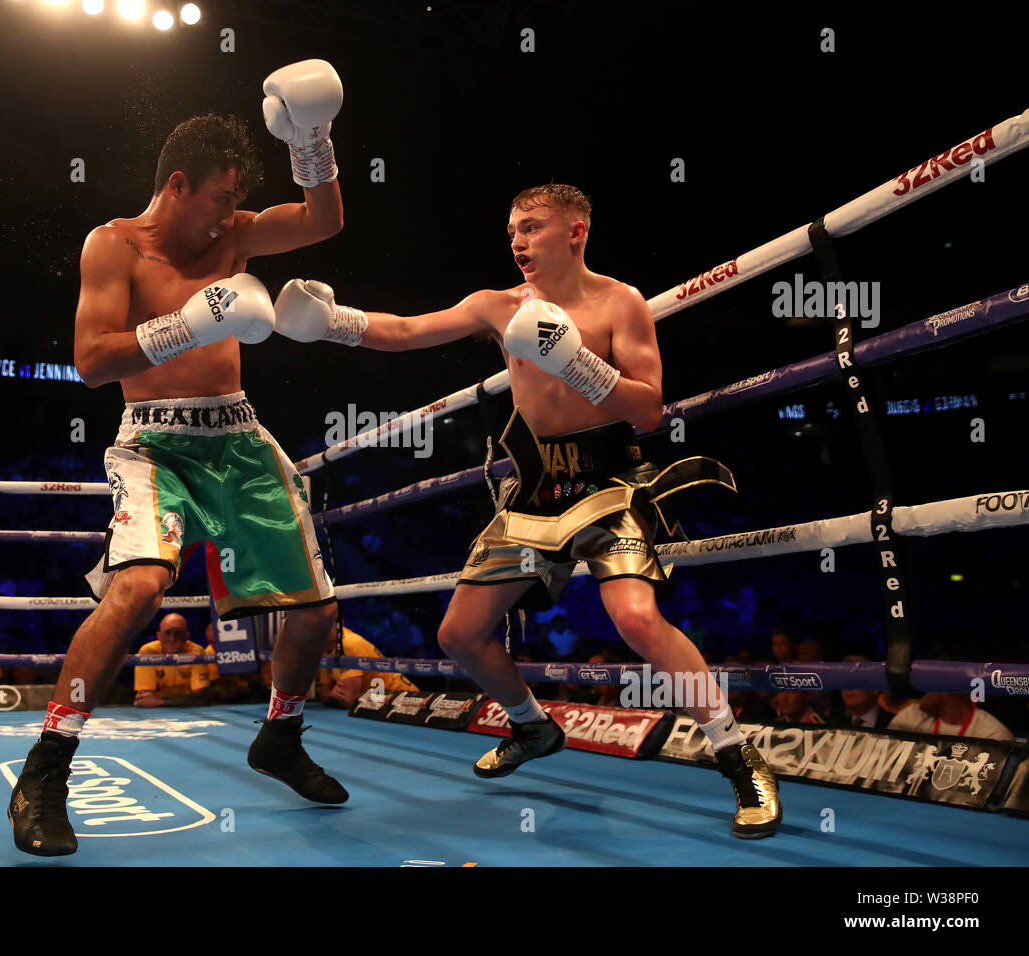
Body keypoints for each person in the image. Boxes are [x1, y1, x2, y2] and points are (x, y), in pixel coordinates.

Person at [272, 182, 781, 838]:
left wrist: (575, 363)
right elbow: (406, 332)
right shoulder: (499, 305)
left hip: (610, 478)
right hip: (536, 486)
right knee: (459, 633)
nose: (517, 240)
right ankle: (533, 725)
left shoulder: (619, 303)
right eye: (512, 229)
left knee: (635, 618)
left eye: (533, 227)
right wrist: (332, 322)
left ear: (576, 231)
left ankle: (738, 756)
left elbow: (650, 411)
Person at [8, 60, 349, 857]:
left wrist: (315, 142)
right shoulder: (113, 247)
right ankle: (47, 770)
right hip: (153, 440)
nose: (234, 216)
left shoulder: (232, 234)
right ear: (178, 185)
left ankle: (281, 736)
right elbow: (92, 361)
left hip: (237, 435)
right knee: (137, 589)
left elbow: (323, 219)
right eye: (224, 199)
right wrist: (187, 326)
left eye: (238, 204)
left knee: (314, 612)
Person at [316, 623, 419, 708]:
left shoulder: (348, 645)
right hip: (379, 704)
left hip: (406, 700)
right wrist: (331, 695)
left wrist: (331, 696)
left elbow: (349, 700)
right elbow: (324, 692)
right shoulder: (324, 646)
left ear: (338, 623)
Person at [134, 613, 211, 706]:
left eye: (178, 633)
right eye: (167, 633)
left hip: (188, 710)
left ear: (187, 636)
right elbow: (146, 698)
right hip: (158, 711)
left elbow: (200, 697)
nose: (172, 638)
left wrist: (161, 700)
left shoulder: (196, 652)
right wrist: (185, 697)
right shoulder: (148, 652)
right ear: (159, 636)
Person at [888, 693, 1013, 741]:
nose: (919, 688)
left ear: (947, 688)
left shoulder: (993, 734)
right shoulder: (912, 716)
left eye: (927, 679)